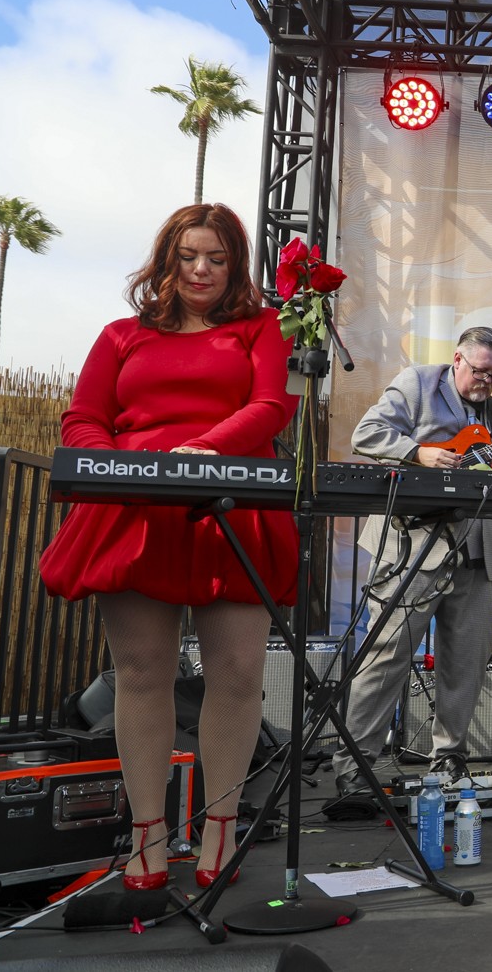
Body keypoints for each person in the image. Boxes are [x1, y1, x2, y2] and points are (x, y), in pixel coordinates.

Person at [40, 203, 299, 890]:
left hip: (233, 506)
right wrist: (116, 468)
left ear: (235, 265)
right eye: (188, 256)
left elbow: (271, 406)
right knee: (142, 674)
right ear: (166, 261)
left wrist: (203, 450)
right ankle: (147, 836)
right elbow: (84, 417)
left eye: (216, 257)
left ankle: (220, 830)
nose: (201, 270)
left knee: (237, 674)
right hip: (135, 511)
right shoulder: (121, 335)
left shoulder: (259, 327)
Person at [332, 326, 492, 798]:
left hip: (476, 554)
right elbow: (367, 435)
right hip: (410, 549)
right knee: (385, 661)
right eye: (481, 370)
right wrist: (418, 452)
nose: (488, 380)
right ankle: (355, 768)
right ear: (457, 360)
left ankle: (449, 757)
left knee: (465, 664)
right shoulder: (417, 385)